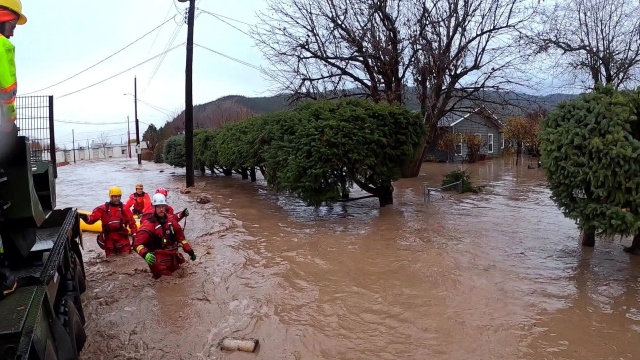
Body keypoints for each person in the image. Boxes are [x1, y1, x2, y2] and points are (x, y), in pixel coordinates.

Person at [133, 193, 196, 279]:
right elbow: (137, 244)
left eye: (163, 206)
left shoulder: (171, 221)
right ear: (154, 207)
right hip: (158, 259)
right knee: (165, 281)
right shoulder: (148, 224)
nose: (161, 209)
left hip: (172, 256)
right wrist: (145, 254)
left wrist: (190, 251)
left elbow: (181, 239)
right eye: (158, 207)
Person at [0, 0, 27, 175]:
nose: (13, 32)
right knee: (10, 136)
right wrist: (9, 121)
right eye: (13, 25)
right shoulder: (2, 45)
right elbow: (5, 89)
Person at [79, 186, 138, 257]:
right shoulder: (102, 209)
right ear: (111, 197)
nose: (117, 198)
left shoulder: (125, 209)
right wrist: (85, 217)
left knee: (126, 258)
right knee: (110, 260)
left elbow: (132, 224)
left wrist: (135, 236)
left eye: (119, 196)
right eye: (115, 197)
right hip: (109, 239)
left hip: (122, 238)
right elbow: (92, 219)